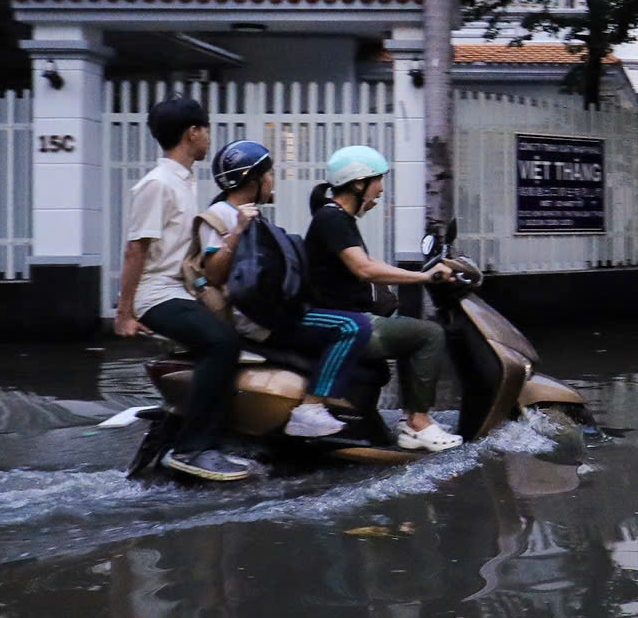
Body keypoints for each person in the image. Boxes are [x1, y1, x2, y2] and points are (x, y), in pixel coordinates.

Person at [116, 96, 252, 482]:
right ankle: (195, 449)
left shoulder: (183, 180)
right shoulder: (157, 184)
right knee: (221, 342)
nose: (209, 136)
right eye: (205, 128)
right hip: (157, 293)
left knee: (235, 335)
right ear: (192, 133)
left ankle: (200, 431)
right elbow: (135, 250)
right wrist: (125, 312)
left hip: (179, 289)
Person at [195, 139, 363, 440]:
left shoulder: (249, 212)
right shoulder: (222, 214)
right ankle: (309, 411)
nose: (273, 180)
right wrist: (237, 232)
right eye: (269, 174)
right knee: (353, 326)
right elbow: (214, 274)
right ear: (252, 179)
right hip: (255, 320)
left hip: (268, 311)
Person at [304, 145, 462, 453]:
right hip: (346, 321)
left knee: (409, 331)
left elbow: (367, 263)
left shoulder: (339, 219)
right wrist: (424, 277)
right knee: (429, 334)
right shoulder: (332, 218)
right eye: (377, 180)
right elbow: (364, 269)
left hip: (353, 314)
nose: (381, 189)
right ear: (358, 183)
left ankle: (411, 421)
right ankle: (418, 422)